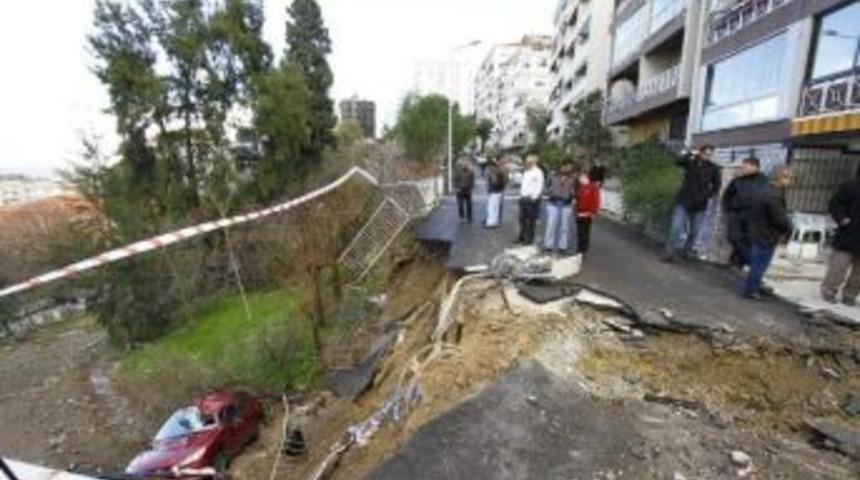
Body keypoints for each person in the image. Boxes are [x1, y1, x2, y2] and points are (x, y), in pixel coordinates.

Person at [663, 144, 722, 262]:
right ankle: (669, 253)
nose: (708, 156)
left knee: (694, 232)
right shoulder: (691, 163)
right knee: (676, 228)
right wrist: (690, 153)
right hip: (683, 202)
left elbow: (717, 186)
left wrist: (707, 195)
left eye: (710, 154)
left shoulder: (714, 168)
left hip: (700, 206)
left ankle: (686, 251)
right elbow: (677, 161)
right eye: (706, 153)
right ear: (700, 153)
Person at [742, 167, 794, 300]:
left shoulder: (763, 190)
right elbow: (779, 218)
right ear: (779, 178)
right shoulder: (774, 195)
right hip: (767, 233)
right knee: (760, 264)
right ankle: (751, 290)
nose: (791, 181)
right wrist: (788, 228)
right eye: (788, 177)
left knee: (757, 262)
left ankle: (754, 286)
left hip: (757, 230)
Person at [821, 173, 860, 306]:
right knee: (838, 267)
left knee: (858, 273)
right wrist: (842, 218)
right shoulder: (851, 186)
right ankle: (829, 291)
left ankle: (850, 295)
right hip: (848, 235)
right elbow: (835, 203)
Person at [722, 157, 768, 269]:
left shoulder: (764, 181)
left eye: (745, 166)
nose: (742, 169)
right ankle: (752, 262)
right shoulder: (738, 181)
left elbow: (768, 198)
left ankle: (737, 263)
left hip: (754, 215)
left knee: (748, 240)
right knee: (733, 237)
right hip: (736, 213)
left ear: (754, 167)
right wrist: (728, 209)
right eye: (742, 166)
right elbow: (727, 195)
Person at [543, 163, 576, 253]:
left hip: (566, 205)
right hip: (553, 203)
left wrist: (573, 197)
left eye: (568, 167)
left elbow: (574, 191)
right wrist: (551, 191)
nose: (565, 168)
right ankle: (548, 245)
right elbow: (545, 188)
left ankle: (562, 246)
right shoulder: (552, 176)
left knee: (564, 227)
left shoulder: (572, 179)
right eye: (564, 166)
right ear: (560, 167)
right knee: (551, 225)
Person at [518, 155, 545, 245]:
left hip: (531, 199)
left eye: (527, 161)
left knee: (531, 220)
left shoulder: (538, 172)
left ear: (533, 162)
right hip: (523, 198)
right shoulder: (527, 171)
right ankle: (521, 237)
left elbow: (539, 186)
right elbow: (524, 185)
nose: (526, 162)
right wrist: (521, 195)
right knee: (522, 220)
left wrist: (534, 197)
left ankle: (529, 239)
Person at [576, 171, 602, 256]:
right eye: (580, 178)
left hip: (588, 213)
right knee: (579, 232)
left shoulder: (593, 188)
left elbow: (596, 201)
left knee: (585, 232)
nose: (580, 180)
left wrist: (593, 212)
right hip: (579, 212)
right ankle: (579, 248)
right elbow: (577, 200)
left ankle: (584, 250)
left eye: (582, 178)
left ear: (586, 178)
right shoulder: (580, 188)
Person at [484, 158, 507, 228]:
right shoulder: (500, 171)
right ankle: (494, 221)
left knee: (492, 207)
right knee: (495, 207)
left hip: (494, 191)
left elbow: (494, 182)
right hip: (498, 191)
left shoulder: (494, 172)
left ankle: (491, 222)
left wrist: (489, 189)